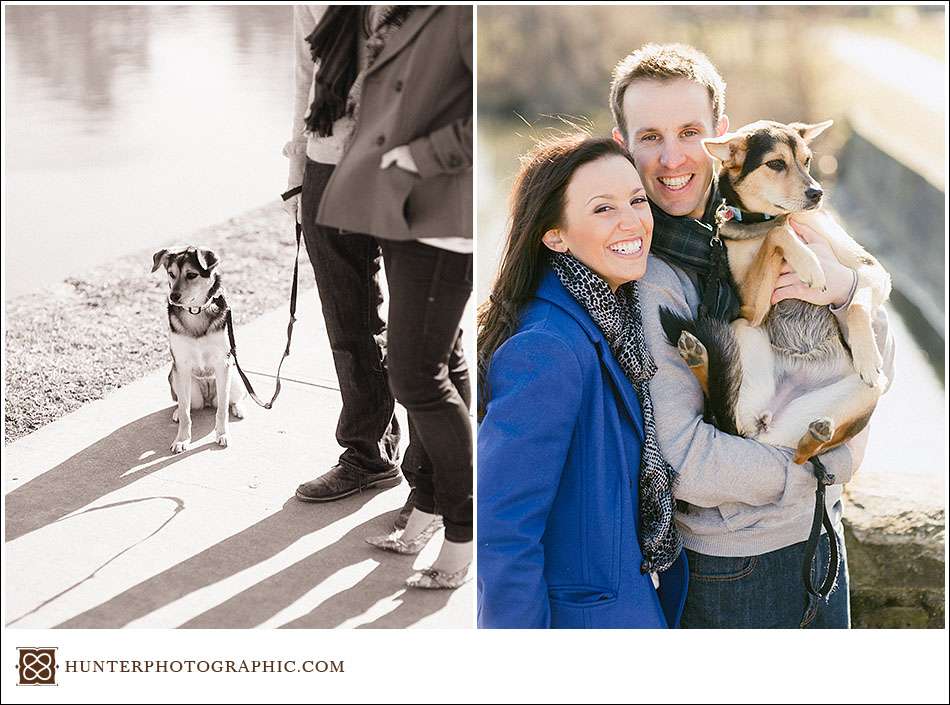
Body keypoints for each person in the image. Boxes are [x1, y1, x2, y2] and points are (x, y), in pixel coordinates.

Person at [608, 43, 895, 628]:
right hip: (737, 566)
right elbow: (684, 460)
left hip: (823, 540)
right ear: (624, 146)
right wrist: (812, 470)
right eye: (649, 137)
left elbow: (873, 367)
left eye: (689, 132)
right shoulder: (650, 275)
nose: (672, 159)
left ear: (723, 136)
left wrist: (844, 292)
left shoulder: (773, 205)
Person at [477, 134, 689, 628]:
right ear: (555, 235)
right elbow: (502, 529)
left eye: (637, 201)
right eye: (602, 209)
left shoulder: (623, 321)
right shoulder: (548, 348)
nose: (632, 220)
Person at [282, 6, 467, 532]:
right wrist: (298, 170)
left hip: (410, 170)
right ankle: (366, 455)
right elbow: (307, 72)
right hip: (327, 160)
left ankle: (431, 484)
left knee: (431, 342)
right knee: (348, 321)